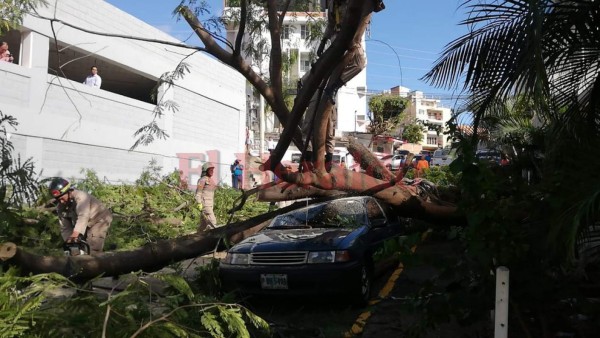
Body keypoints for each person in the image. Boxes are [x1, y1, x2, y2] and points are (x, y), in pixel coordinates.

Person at [49, 177, 112, 256]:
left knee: (92, 247)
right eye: (58, 200)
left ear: (68, 192)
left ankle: (96, 262)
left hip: (99, 219)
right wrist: (70, 241)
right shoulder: (61, 207)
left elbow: (83, 216)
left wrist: (75, 234)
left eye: (62, 198)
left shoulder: (81, 197)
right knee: (78, 246)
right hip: (86, 223)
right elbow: (65, 227)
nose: (61, 201)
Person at [196, 162, 218, 232]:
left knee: (203, 225)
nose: (212, 172)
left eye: (212, 170)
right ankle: (215, 240)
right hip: (205, 205)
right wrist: (199, 203)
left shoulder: (211, 180)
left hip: (210, 204)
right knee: (212, 222)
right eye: (210, 170)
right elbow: (198, 193)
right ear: (206, 170)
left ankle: (195, 237)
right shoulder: (202, 180)